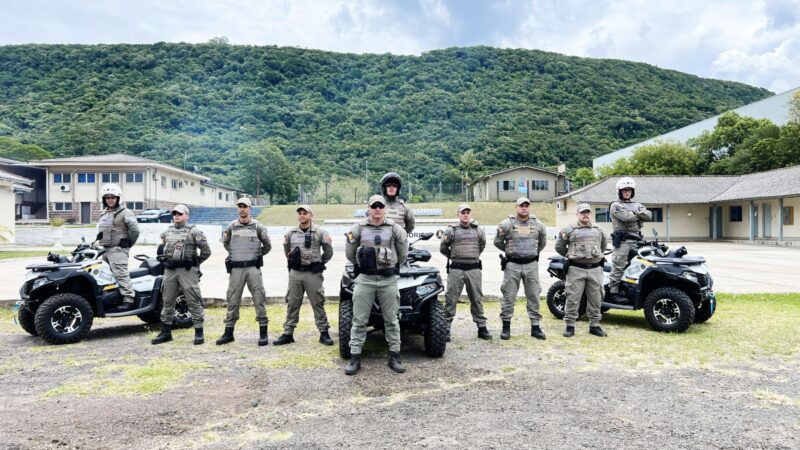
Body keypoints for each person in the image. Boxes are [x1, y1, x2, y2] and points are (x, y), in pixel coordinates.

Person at [344, 194, 408, 375]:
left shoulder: (394, 228)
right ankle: (355, 357)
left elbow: (403, 254)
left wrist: (391, 265)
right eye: (374, 206)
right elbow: (350, 253)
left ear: (384, 208)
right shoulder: (358, 228)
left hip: (388, 280)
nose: (378, 209)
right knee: (359, 320)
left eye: (380, 206)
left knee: (392, 320)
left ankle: (395, 356)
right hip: (365, 279)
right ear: (369, 208)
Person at [273, 205, 335, 346]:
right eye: (299, 213)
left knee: (317, 302)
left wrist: (319, 262)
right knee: (292, 303)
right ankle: (288, 333)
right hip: (295, 273)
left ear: (311, 215)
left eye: (305, 213)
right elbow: (286, 250)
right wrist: (294, 261)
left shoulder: (320, 232)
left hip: (313, 273)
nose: (302, 215)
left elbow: (328, 251)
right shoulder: (291, 233)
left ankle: (324, 333)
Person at [152, 204, 212, 345]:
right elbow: (164, 249)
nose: (176, 216)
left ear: (186, 215)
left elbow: (206, 251)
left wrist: (195, 263)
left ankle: (199, 332)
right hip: (171, 271)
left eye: (179, 213)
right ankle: (166, 332)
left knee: (193, 299)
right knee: (167, 300)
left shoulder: (194, 231)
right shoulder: (167, 231)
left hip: (187, 271)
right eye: (174, 213)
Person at [216, 197, 272, 346]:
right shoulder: (231, 226)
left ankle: (263, 333)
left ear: (250, 209)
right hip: (236, 269)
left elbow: (267, 246)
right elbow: (226, 244)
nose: (242, 209)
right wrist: (235, 254)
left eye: (245, 206)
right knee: (233, 299)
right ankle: (228, 333)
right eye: (239, 206)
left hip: (253, 268)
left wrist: (255, 255)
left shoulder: (258, 227)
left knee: (259, 298)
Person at [494, 197, 548, 341]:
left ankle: (535, 327)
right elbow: (498, 241)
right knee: (508, 296)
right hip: (512, 265)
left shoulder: (538, 225)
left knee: (534, 295)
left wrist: (532, 254)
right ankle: (506, 327)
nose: (524, 208)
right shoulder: (506, 224)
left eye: (526, 205)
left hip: (531, 265)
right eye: (521, 205)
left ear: (529, 207)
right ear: (516, 207)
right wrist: (510, 252)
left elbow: (542, 243)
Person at [555, 203, 609, 338]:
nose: (585, 215)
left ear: (591, 214)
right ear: (577, 214)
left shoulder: (599, 230)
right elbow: (559, 247)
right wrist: (572, 256)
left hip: (595, 269)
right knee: (573, 298)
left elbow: (603, 246)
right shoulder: (568, 230)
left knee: (596, 299)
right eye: (582, 212)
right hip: (576, 269)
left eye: (588, 212)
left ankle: (594, 325)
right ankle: (570, 326)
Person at [439, 203, 492, 341]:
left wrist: (471, 256)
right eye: (463, 212)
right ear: (458, 214)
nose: (465, 214)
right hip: (456, 270)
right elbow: (443, 248)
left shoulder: (478, 230)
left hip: (473, 269)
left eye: (468, 212)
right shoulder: (451, 231)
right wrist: (455, 256)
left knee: (477, 299)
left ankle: (482, 328)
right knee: (451, 300)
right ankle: (446, 329)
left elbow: (482, 245)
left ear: (470, 214)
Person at [97, 183, 140, 311]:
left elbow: (135, 230)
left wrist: (127, 244)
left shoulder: (126, 213)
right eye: (107, 197)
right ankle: (112, 298)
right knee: (104, 276)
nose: (110, 200)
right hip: (105, 249)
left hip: (118, 250)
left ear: (118, 198)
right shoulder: (105, 212)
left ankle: (129, 300)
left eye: (113, 197)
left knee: (120, 274)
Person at [608, 177, 651, 303]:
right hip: (623, 242)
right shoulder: (615, 205)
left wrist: (635, 214)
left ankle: (631, 290)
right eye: (624, 190)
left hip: (637, 241)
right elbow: (626, 217)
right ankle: (613, 293)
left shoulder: (637, 204)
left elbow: (649, 215)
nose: (627, 192)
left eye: (629, 190)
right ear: (619, 192)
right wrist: (639, 214)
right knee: (618, 266)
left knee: (638, 266)